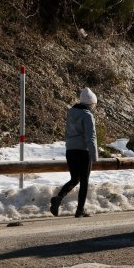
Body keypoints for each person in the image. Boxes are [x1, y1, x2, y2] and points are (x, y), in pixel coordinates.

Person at [50, 87, 98, 218]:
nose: (94, 107)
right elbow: (91, 136)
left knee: (74, 178)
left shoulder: (71, 113)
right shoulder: (88, 115)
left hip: (70, 150)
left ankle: (58, 198)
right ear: (90, 103)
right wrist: (94, 156)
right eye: (94, 104)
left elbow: (67, 133)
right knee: (84, 181)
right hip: (83, 151)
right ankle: (80, 210)